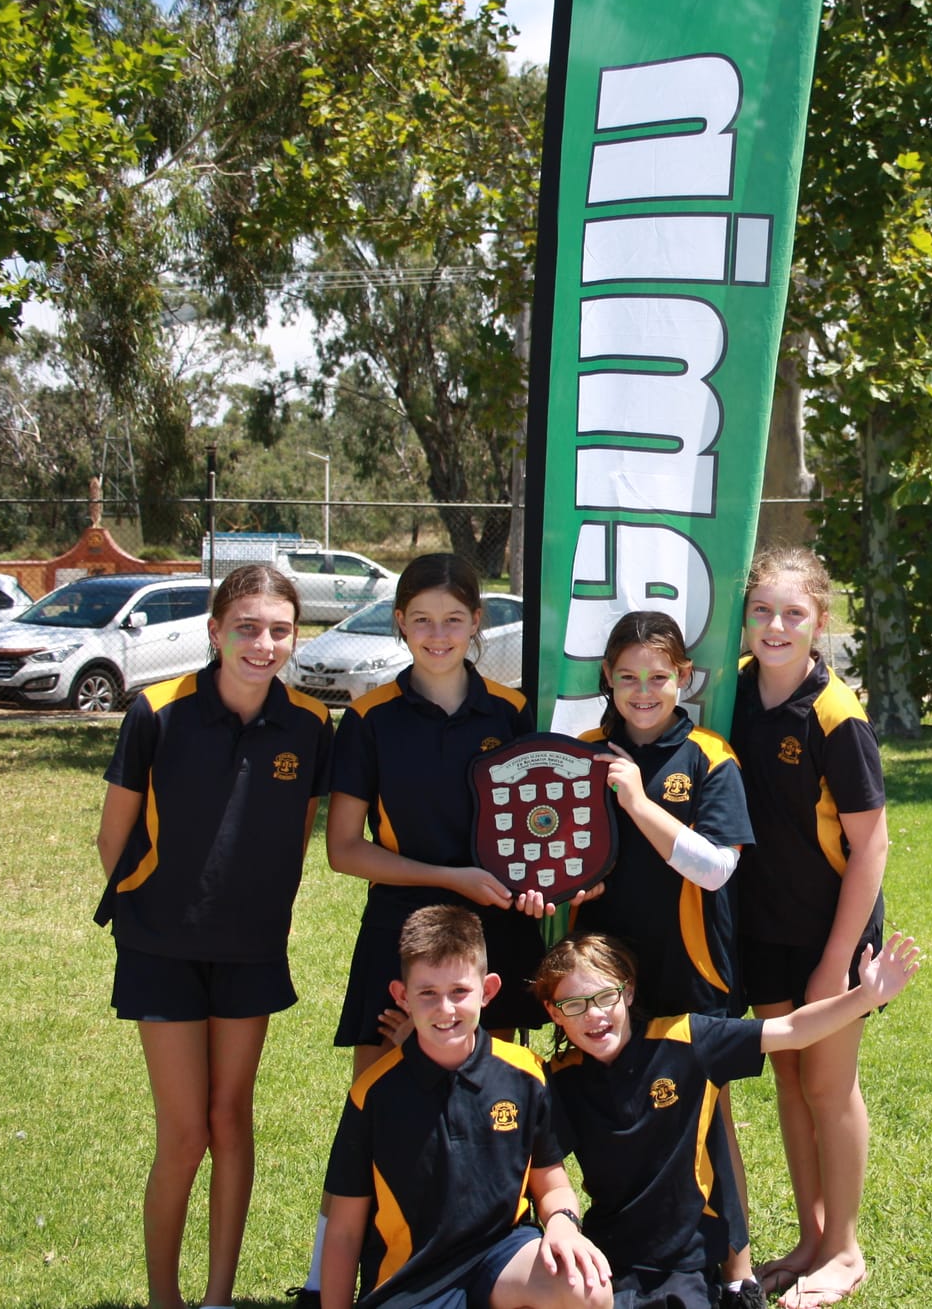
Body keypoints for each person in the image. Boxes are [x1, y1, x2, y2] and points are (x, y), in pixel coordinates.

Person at [296, 554, 543, 1308]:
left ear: (479, 625)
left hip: (496, 935)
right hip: (399, 931)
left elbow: (544, 823)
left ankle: (489, 1264)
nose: (438, 634)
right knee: (379, 1099)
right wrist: (451, 877)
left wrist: (536, 885)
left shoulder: (512, 710)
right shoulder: (369, 717)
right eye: (422, 619)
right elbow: (344, 849)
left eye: (454, 619)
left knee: (495, 1099)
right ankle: (327, 1278)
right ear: (399, 622)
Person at [95, 564, 334, 1309]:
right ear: (215, 631)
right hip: (159, 946)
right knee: (186, 1130)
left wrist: (264, 909)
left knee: (232, 1117)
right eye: (247, 627)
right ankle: (164, 1297)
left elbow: (298, 831)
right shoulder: (156, 712)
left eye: (280, 629)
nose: (263, 644)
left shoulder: (308, 722)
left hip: (251, 948)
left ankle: (217, 1297)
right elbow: (113, 838)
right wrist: (156, 907)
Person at [533, 931, 920, 1309]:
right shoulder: (557, 1078)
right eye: (574, 1005)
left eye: (605, 997)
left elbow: (792, 1030)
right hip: (606, 1252)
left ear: (629, 992)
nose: (595, 1015)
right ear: (553, 1012)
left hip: (684, 1259)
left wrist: (864, 996)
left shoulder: (686, 1040)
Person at [573, 610, 758, 1303]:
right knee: (620, 1115)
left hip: (691, 972)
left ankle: (738, 1271)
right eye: (627, 678)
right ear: (607, 680)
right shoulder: (585, 751)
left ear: (683, 676)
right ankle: (634, 1256)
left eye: (658, 676)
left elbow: (714, 868)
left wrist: (638, 799)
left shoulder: (710, 756)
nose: (643, 691)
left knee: (709, 1122)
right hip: (605, 974)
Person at [727, 549, 889, 1309]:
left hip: (834, 933)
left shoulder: (837, 715)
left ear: (821, 621)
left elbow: (872, 846)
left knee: (829, 1085)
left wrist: (836, 963)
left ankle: (847, 1248)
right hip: (764, 928)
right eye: (762, 610)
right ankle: (811, 1236)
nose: (776, 625)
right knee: (789, 1080)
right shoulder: (730, 695)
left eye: (794, 612)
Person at [318, 905, 612, 1309]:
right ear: (402, 996)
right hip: (411, 1278)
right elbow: (345, 1230)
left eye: (459, 991)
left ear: (488, 990)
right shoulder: (373, 1095)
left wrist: (563, 1225)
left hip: (501, 1257)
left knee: (587, 1287)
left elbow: (553, 1183)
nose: (446, 1009)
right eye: (428, 994)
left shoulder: (527, 1075)